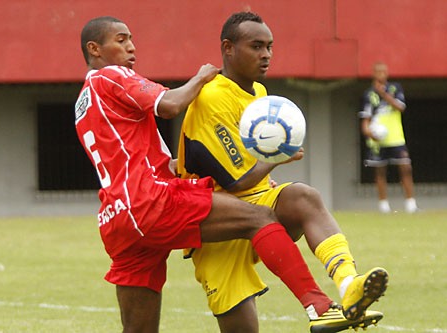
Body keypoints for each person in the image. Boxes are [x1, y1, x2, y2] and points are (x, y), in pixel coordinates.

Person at [75, 16, 384, 333]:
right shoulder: (110, 76)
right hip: (149, 202)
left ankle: (346, 285)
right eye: (121, 39)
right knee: (260, 218)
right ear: (94, 49)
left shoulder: (84, 101)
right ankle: (319, 308)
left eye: (131, 39)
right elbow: (169, 105)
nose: (131, 47)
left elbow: (153, 163)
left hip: (117, 216)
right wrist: (200, 77)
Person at [177, 12, 389, 333]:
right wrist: (280, 155)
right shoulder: (212, 97)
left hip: (256, 205)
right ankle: (320, 307)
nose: (265, 55)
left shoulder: (260, 95)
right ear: (228, 48)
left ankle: (349, 286)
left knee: (304, 197)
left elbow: (249, 170)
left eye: (269, 47)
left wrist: (270, 166)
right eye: (256, 46)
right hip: (212, 221)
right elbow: (234, 181)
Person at [360, 61, 418, 213]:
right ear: (373, 73)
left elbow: (400, 107)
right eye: (378, 72)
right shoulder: (368, 94)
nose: (381, 74)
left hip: (396, 138)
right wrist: (369, 133)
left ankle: (410, 203)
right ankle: (383, 205)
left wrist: (384, 94)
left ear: (387, 73)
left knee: (405, 168)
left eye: (383, 71)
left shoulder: (395, 88)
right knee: (380, 171)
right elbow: (365, 120)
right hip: (377, 140)